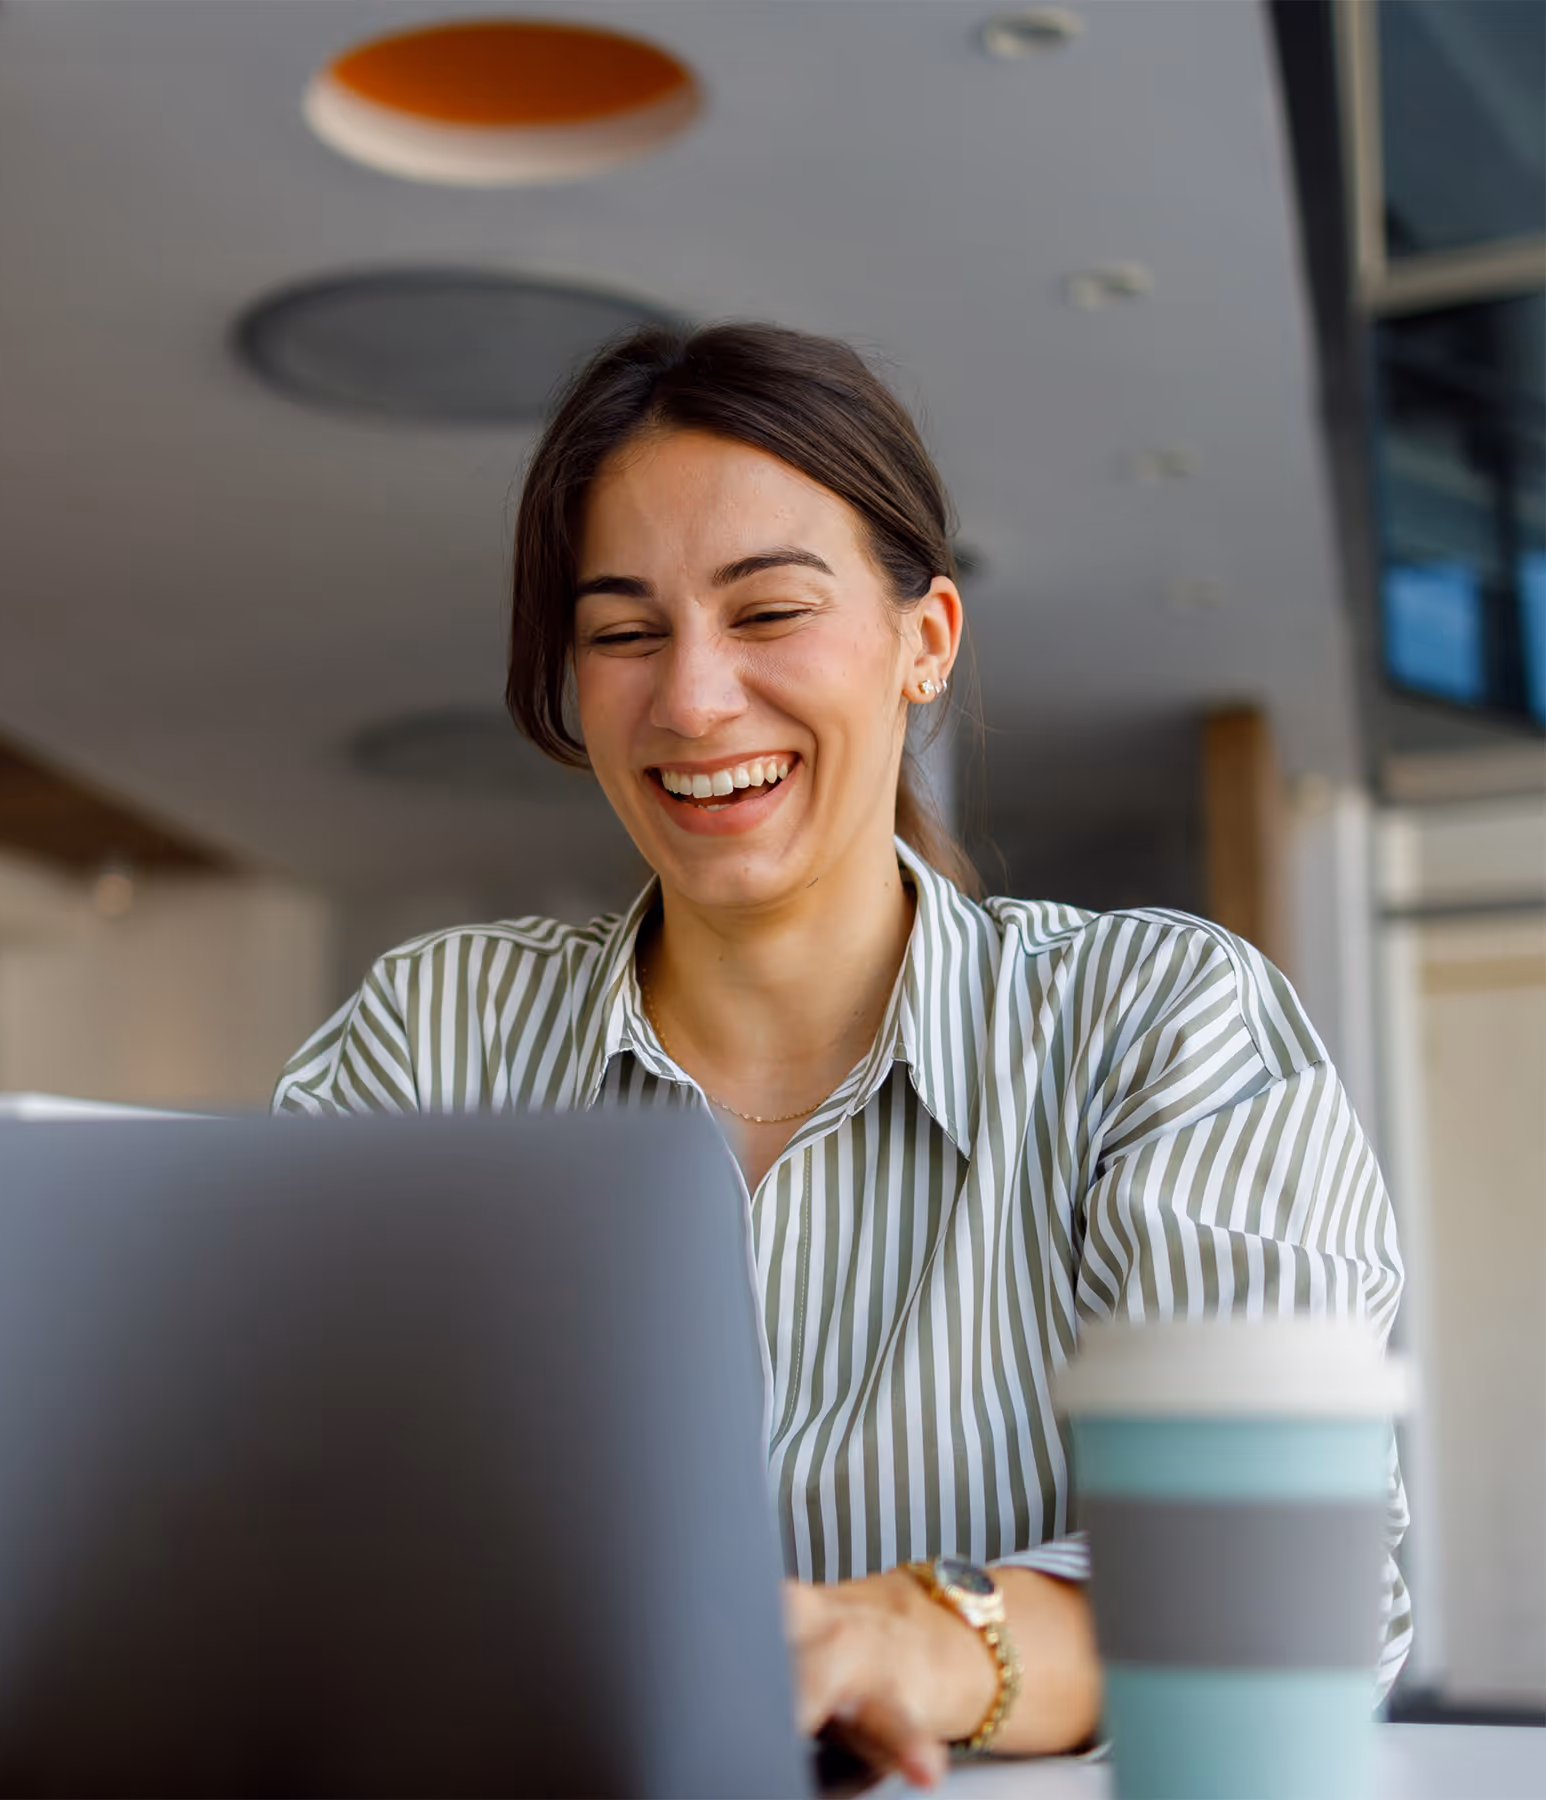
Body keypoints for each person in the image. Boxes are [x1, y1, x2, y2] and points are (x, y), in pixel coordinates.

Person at [275, 323, 1410, 1784]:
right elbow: (264, 1518)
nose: (691, 700)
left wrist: (924, 1646)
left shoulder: (1160, 1031)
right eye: (624, 632)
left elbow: (1287, 1596)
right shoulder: (433, 1049)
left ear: (924, 642)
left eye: (765, 613)